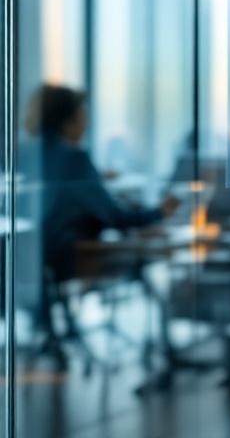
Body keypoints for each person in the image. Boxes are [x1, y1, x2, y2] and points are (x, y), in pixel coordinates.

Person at [21, 84, 179, 363]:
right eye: (83, 114)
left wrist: (95, 182)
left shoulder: (21, 154)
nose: (87, 121)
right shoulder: (76, 159)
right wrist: (160, 212)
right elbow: (116, 218)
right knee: (144, 258)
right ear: (69, 119)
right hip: (70, 258)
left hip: (24, 260)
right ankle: (162, 355)